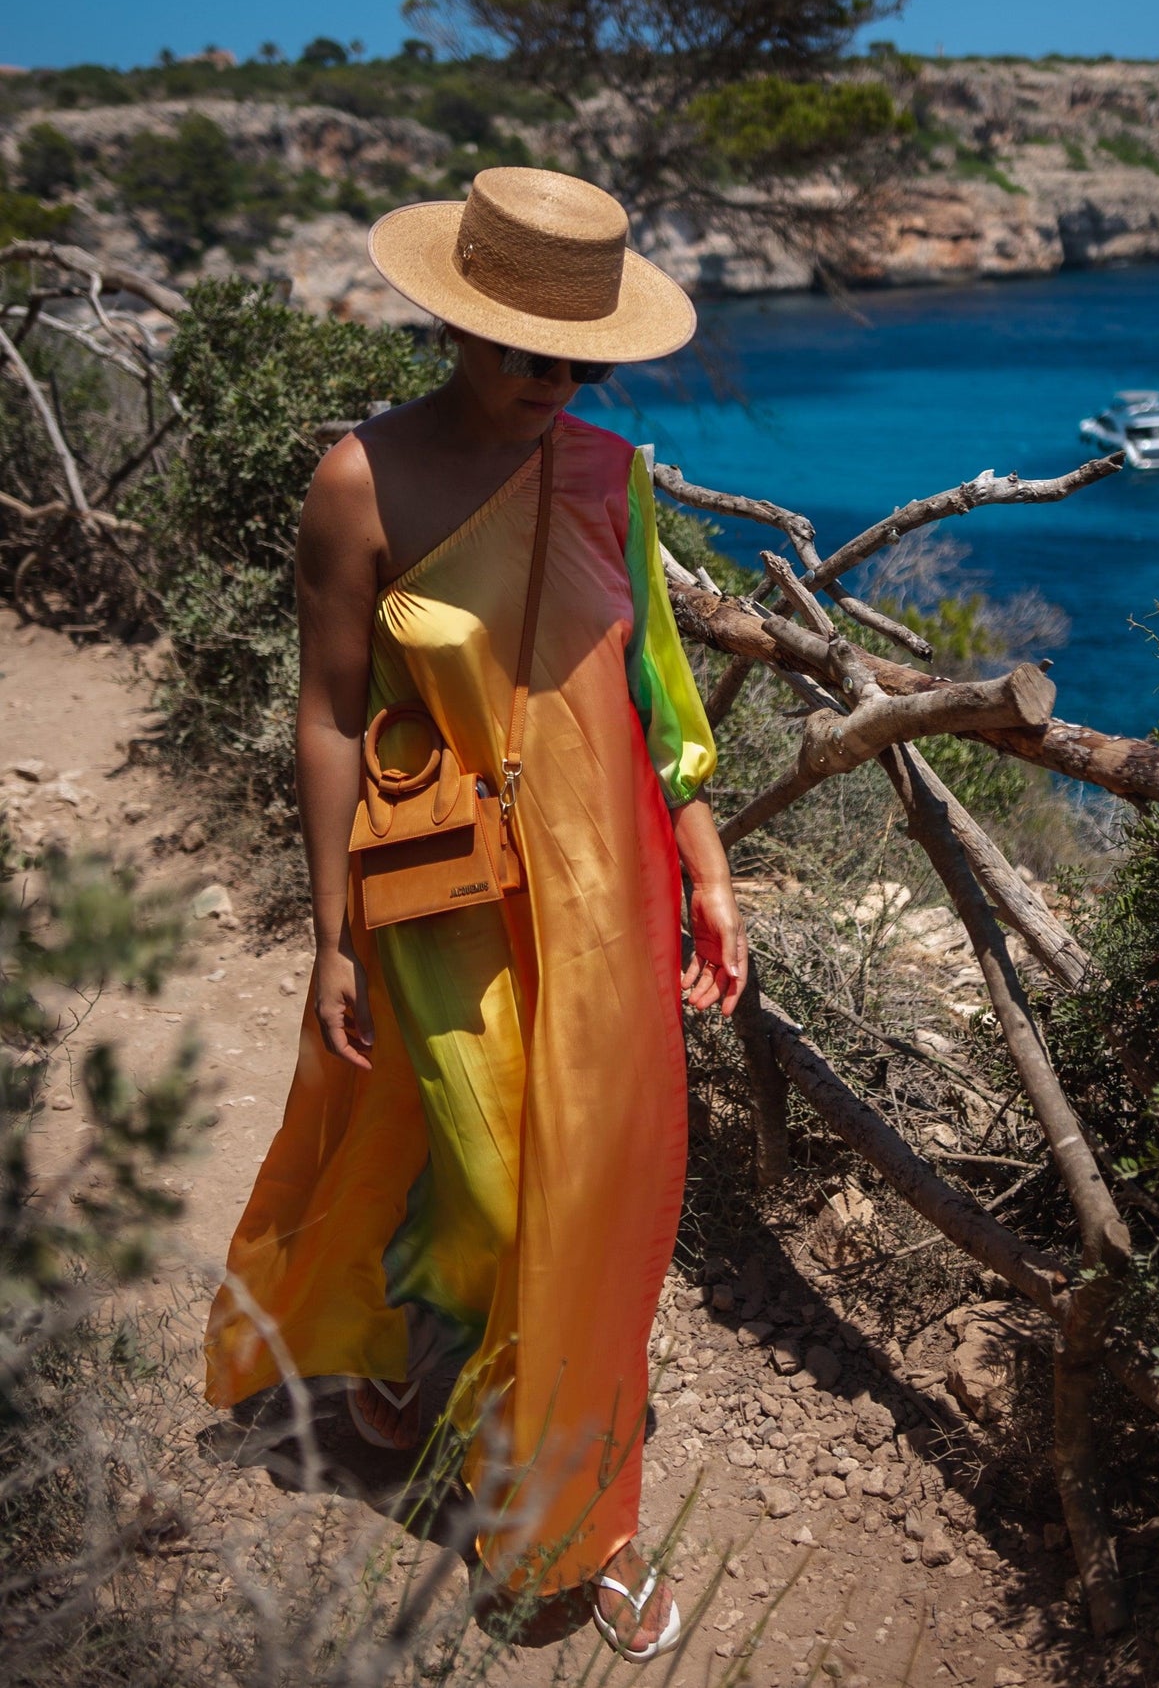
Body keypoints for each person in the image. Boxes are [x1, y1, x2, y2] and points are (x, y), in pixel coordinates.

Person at [204, 167, 746, 1662]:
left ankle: (579, 1520)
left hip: (606, 888)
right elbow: (325, 710)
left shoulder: (608, 478)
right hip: (439, 896)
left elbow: (650, 699)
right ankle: (418, 1335)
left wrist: (704, 861)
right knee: (503, 1189)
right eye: (527, 355)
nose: (555, 385)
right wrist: (327, 930)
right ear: (456, 325)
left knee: (600, 1204)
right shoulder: (356, 482)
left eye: (581, 360)